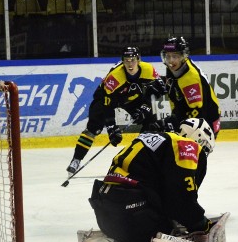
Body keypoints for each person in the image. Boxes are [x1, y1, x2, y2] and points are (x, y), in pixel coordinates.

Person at [70, 118, 227, 242]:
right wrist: (202, 226)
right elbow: (181, 201)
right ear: (201, 140)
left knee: (153, 221)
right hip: (135, 216)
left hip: (106, 213)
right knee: (167, 230)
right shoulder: (187, 146)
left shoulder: (159, 140)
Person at [66, 46, 166, 176]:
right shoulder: (115, 78)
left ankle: (144, 158)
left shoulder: (148, 70)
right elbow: (108, 106)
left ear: (138, 59)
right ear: (122, 61)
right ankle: (76, 159)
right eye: (126, 60)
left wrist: (145, 107)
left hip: (132, 97)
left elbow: (158, 91)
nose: (130, 64)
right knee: (93, 128)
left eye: (133, 60)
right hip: (105, 99)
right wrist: (112, 128)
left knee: (151, 122)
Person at [152, 37, 222, 136]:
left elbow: (197, 114)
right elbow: (176, 85)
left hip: (206, 125)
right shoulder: (176, 67)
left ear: (183, 56)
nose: (170, 61)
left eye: (175, 56)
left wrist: (173, 122)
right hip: (194, 119)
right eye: (167, 56)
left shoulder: (191, 78)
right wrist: (162, 82)